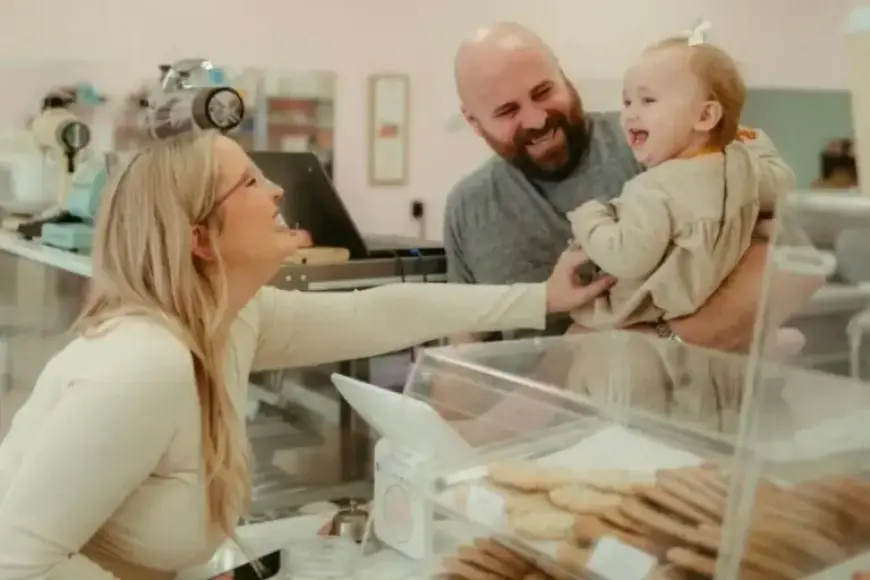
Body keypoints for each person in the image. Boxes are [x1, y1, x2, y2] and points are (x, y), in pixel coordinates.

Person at [0, 131, 611, 579]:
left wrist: (543, 298)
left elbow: (373, 313)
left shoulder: (230, 321)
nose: (276, 189)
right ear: (199, 239)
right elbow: (16, 563)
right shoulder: (144, 364)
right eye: (249, 181)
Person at [444, 22, 821, 350]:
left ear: (564, 75)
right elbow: (463, 351)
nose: (538, 118)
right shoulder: (467, 208)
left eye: (544, 91)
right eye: (508, 111)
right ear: (474, 122)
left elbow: (796, 268)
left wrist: (653, 345)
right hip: (541, 426)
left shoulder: (664, 138)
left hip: (699, 416)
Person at [567, 36, 793, 330]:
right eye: (626, 101)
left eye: (648, 100)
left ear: (705, 115)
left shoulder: (651, 190)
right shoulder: (743, 167)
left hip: (631, 322)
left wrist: (588, 219)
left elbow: (625, 257)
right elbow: (782, 183)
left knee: (575, 340)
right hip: (702, 306)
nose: (630, 113)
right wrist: (752, 140)